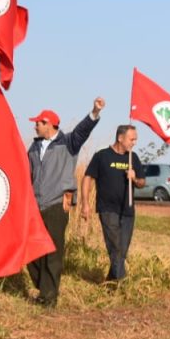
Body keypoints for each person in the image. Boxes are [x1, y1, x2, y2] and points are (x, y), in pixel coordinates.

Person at [25, 98, 104, 307]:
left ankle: (48, 297)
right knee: (30, 249)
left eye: (38, 123)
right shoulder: (34, 147)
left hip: (56, 203)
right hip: (34, 205)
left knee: (52, 250)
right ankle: (44, 287)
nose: (35, 126)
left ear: (49, 124)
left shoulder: (68, 143)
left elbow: (83, 130)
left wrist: (94, 112)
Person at [80, 125, 147, 282]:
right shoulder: (102, 156)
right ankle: (122, 283)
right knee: (115, 247)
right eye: (132, 139)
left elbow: (142, 182)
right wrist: (85, 204)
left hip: (128, 211)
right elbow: (87, 178)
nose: (134, 142)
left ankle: (110, 282)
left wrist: (134, 178)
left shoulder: (133, 158)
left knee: (122, 250)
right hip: (108, 209)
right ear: (120, 138)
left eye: (136, 139)